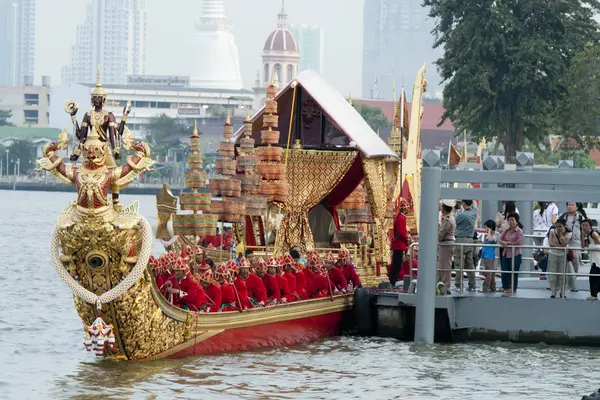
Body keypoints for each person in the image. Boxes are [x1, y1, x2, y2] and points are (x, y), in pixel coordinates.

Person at [454, 200, 478, 291]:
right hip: (470, 240)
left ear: (463, 204)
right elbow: (474, 203)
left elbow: (454, 221)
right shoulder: (474, 211)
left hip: (461, 239)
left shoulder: (461, 215)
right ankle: (472, 285)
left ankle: (459, 285)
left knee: (459, 263)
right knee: (469, 263)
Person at [498, 213, 524, 296]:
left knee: (514, 273)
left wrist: (508, 243)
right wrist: (503, 243)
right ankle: (505, 288)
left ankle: (513, 289)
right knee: (504, 271)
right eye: (509, 220)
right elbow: (499, 239)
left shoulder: (519, 231)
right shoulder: (506, 230)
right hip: (505, 254)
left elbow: (519, 242)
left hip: (515, 254)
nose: (511, 222)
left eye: (513, 220)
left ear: (516, 221)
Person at [560, 202, 584, 290]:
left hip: (576, 243)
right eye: (568, 205)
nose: (570, 207)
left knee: (575, 263)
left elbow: (583, 230)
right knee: (564, 264)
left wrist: (583, 243)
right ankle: (564, 284)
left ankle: (573, 285)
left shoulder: (581, 217)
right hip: (565, 242)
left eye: (572, 205)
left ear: (576, 207)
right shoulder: (563, 216)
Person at [547, 218, 571, 299]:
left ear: (564, 226)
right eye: (557, 227)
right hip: (553, 254)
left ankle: (562, 291)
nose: (558, 228)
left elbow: (565, 243)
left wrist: (561, 235)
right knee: (553, 273)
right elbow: (550, 244)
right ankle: (553, 291)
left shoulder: (568, 233)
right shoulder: (552, 231)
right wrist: (561, 246)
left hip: (563, 255)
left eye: (560, 226)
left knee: (563, 274)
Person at [389, 197, 410, 287]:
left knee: (396, 262)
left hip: (397, 244)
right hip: (399, 244)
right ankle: (393, 280)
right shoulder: (401, 218)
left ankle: (393, 279)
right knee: (397, 263)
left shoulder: (399, 217)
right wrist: (407, 240)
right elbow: (402, 232)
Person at [437, 200, 456, 293]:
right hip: (445, 243)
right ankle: (441, 285)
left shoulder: (448, 220)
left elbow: (441, 234)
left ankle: (446, 287)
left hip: (446, 244)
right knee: (442, 266)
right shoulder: (448, 218)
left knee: (445, 266)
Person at [582, 219, 600, 300]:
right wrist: (582, 235)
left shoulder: (593, 234)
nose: (584, 227)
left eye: (586, 225)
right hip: (594, 259)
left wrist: (591, 247)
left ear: (590, 226)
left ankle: (593, 295)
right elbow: (583, 246)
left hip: (598, 259)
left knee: (593, 276)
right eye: (583, 225)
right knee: (595, 276)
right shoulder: (587, 235)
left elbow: (599, 244)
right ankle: (594, 293)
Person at [481, 220, 499, 293]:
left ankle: (486, 287)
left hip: (490, 256)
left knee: (488, 273)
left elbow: (490, 239)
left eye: (486, 228)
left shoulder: (495, 235)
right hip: (485, 256)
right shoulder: (487, 235)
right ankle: (493, 287)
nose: (485, 230)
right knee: (490, 272)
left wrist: (489, 232)